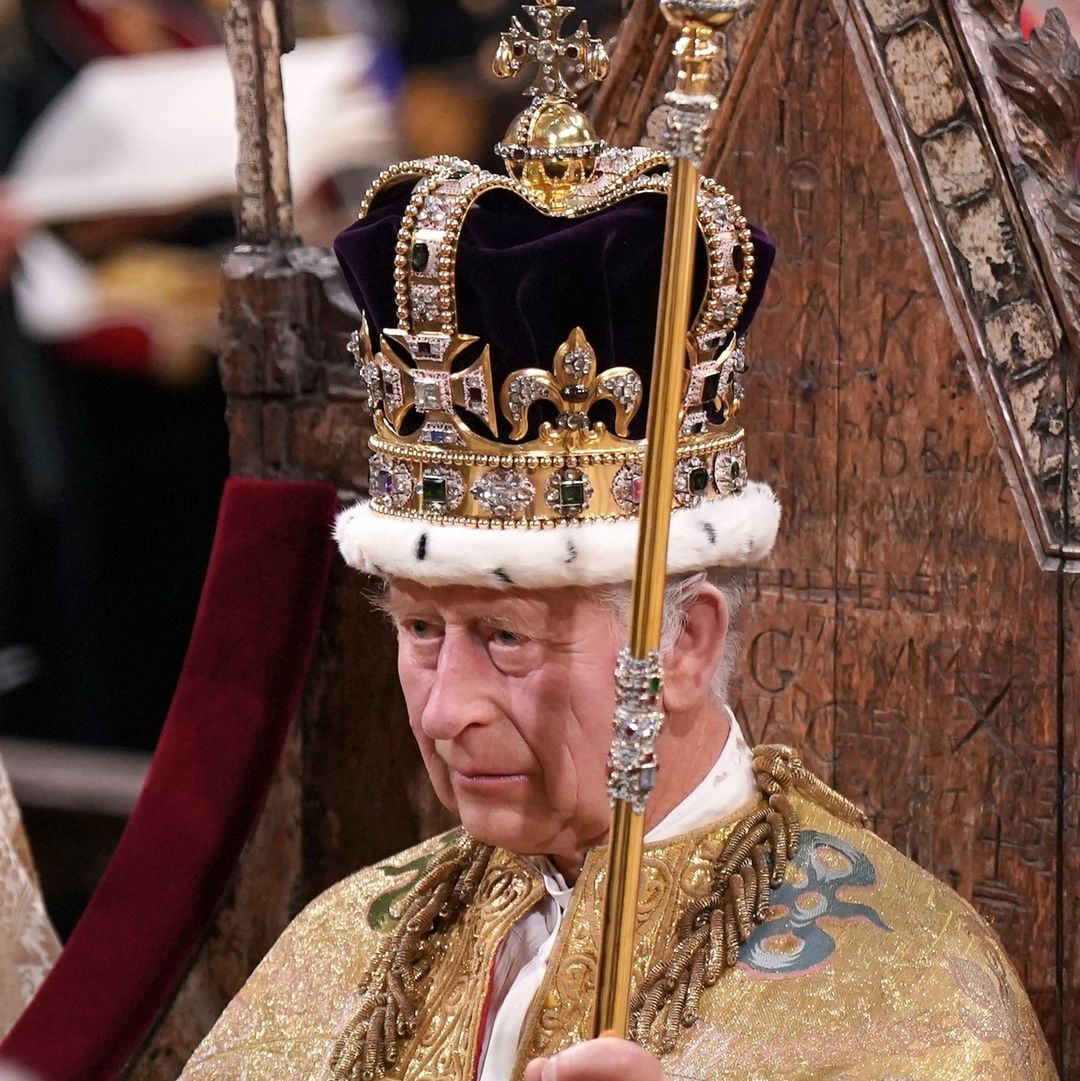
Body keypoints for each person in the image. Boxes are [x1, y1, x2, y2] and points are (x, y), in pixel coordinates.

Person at [180, 2, 1056, 1077]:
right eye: (420, 630)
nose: (446, 709)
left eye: (504, 636)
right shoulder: (344, 943)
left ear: (683, 642)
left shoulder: (916, 1007)